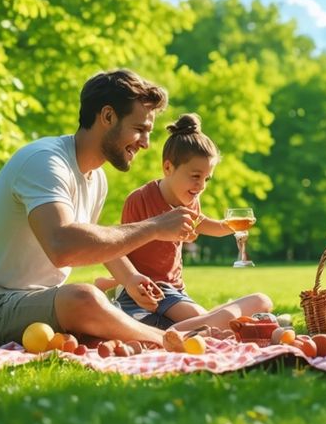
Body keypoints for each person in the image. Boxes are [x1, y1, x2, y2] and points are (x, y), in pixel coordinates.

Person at [0, 69, 199, 348]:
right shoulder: (45, 162)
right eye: (139, 129)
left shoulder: (96, 177)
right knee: (84, 297)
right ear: (107, 117)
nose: (145, 143)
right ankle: (168, 340)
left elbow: (91, 239)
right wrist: (155, 227)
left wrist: (131, 279)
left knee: (96, 306)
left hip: (41, 301)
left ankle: (143, 338)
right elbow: (64, 246)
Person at [97, 113, 273, 332]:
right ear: (168, 167)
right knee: (206, 318)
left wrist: (230, 225)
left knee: (258, 303)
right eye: (196, 176)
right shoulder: (140, 200)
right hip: (149, 289)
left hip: (175, 292)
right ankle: (185, 328)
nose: (201, 186)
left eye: (207, 178)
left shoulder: (190, 201)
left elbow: (208, 225)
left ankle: (205, 322)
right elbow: (120, 245)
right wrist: (119, 281)